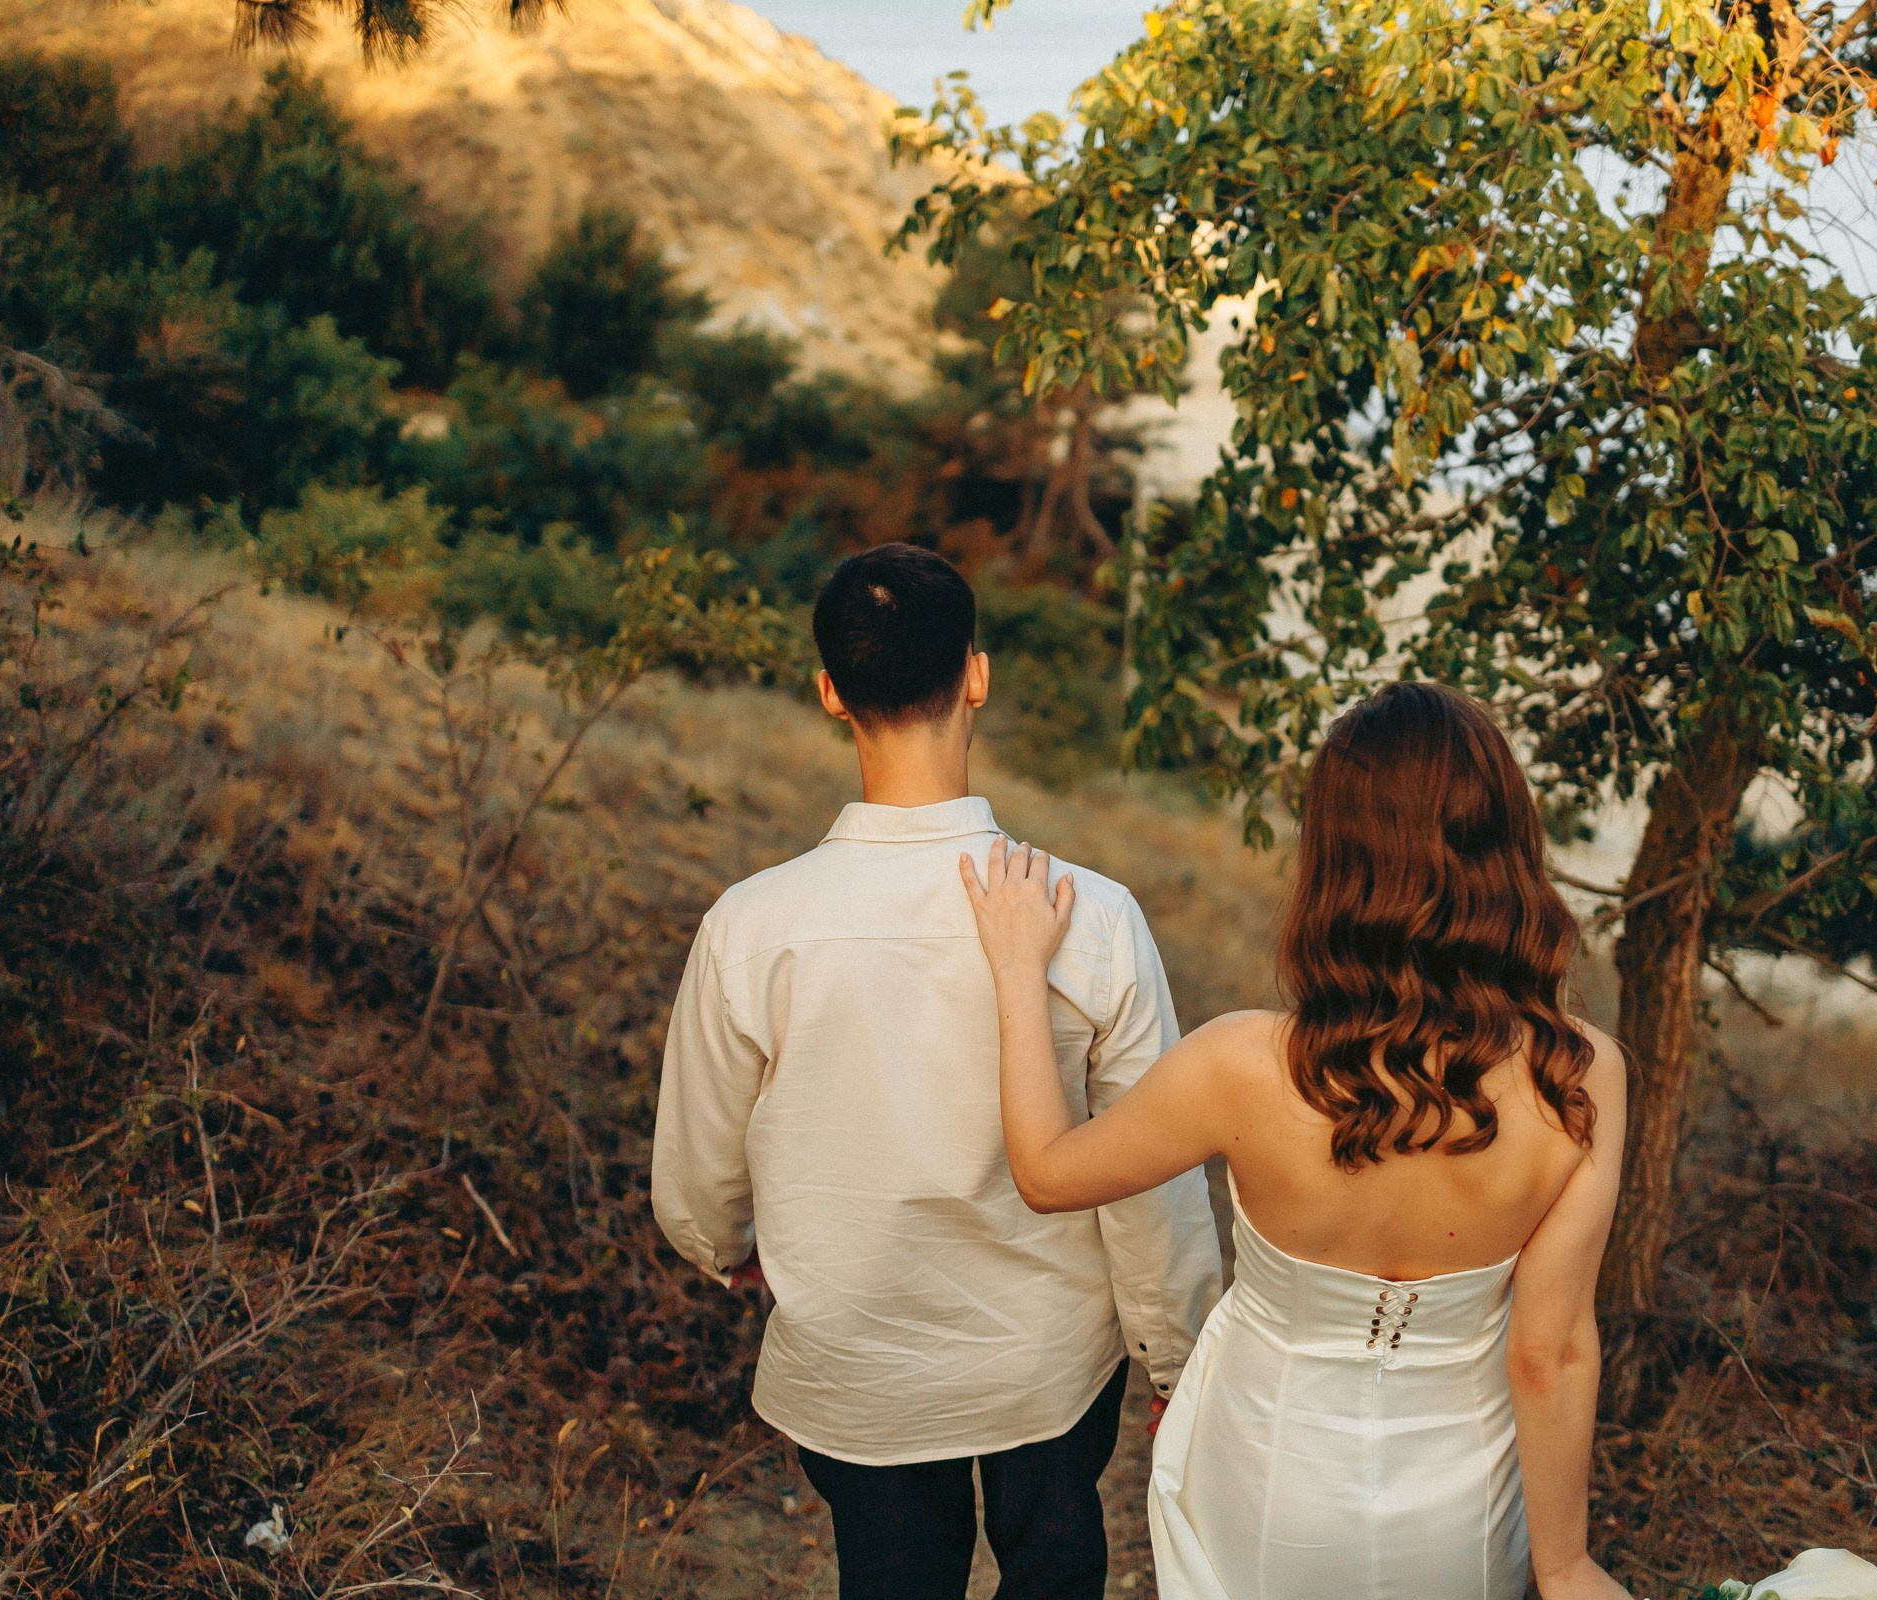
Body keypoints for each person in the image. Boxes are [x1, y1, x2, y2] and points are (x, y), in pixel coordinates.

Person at [960, 680, 1634, 1600]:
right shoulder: (1581, 1076)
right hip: (1464, 1498)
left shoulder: (1243, 1063)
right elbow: (1548, 1351)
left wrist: (1014, 969)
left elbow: (1043, 1172)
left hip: (1266, 1471)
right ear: (1508, 847)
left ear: (1334, 859)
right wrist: (1564, 1564)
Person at [650, 542, 1223, 1600]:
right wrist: (1176, 1351)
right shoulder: (1089, 915)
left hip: (859, 1359)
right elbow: (1148, 1175)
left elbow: (698, 1162)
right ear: (977, 673)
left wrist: (725, 1245)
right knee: (1055, 1571)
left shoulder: (753, 925)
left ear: (829, 692)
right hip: (1046, 1360)